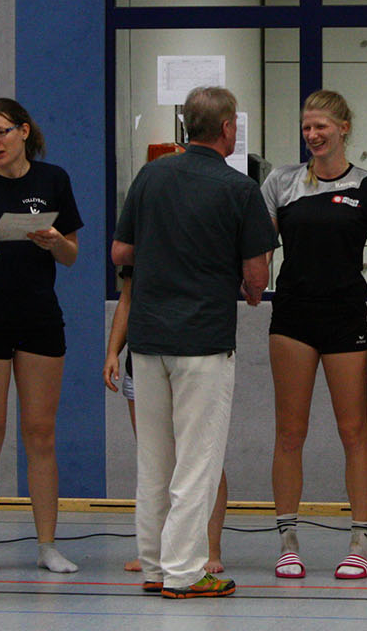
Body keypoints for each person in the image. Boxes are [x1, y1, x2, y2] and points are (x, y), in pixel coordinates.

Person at [111, 85, 276, 599]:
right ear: (227, 128)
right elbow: (257, 277)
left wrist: (164, 251)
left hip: (147, 338)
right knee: (196, 461)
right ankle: (184, 572)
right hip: (202, 339)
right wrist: (244, 286)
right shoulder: (240, 189)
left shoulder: (151, 176)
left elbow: (120, 253)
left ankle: (154, 565)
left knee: (154, 461)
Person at [261, 90, 367, 580]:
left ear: (343, 128)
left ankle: (360, 542)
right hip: (292, 319)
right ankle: (287, 542)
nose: (313, 135)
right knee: (289, 433)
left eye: (321, 126)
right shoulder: (281, 182)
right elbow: (260, 250)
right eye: (307, 128)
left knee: (353, 431)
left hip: (346, 319)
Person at [0, 97, 83, 576]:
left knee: (41, 434)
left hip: (39, 319)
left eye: (1, 132)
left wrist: (56, 241)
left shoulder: (53, 180)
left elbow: (71, 256)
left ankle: (47, 545)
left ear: (24, 131)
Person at [104, 264, 229, 574]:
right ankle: (157, 552)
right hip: (144, 357)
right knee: (155, 459)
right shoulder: (141, 248)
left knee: (201, 457)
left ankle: (209, 548)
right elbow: (127, 299)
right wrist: (113, 352)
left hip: (194, 353)